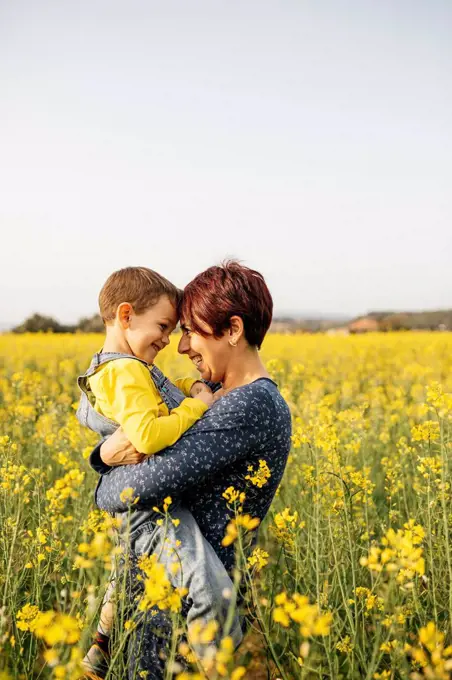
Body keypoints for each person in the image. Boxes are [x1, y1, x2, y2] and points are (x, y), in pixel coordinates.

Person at [88, 261, 292, 680]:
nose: (180, 347)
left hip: (189, 611)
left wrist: (103, 465)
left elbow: (129, 490)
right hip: (163, 599)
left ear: (233, 330)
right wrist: (106, 453)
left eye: (191, 331)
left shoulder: (248, 404)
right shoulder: (216, 395)